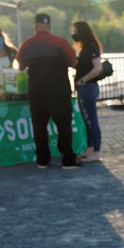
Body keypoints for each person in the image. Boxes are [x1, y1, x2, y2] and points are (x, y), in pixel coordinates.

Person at [16, 13, 79, 169]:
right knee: (64, 125)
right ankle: (68, 159)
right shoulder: (61, 42)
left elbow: (20, 66)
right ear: (49, 26)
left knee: (39, 126)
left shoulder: (27, 45)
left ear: (35, 26)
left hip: (36, 92)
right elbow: (73, 62)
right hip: (59, 91)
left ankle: (42, 160)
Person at [71, 21, 103, 163]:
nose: (73, 35)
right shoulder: (86, 48)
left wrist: (83, 80)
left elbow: (98, 68)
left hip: (88, 88)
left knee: (92, 120)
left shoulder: (90, 47)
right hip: (84, 88)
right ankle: (90, 149)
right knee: (87, 120)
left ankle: (96, 152)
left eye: (75, 31)